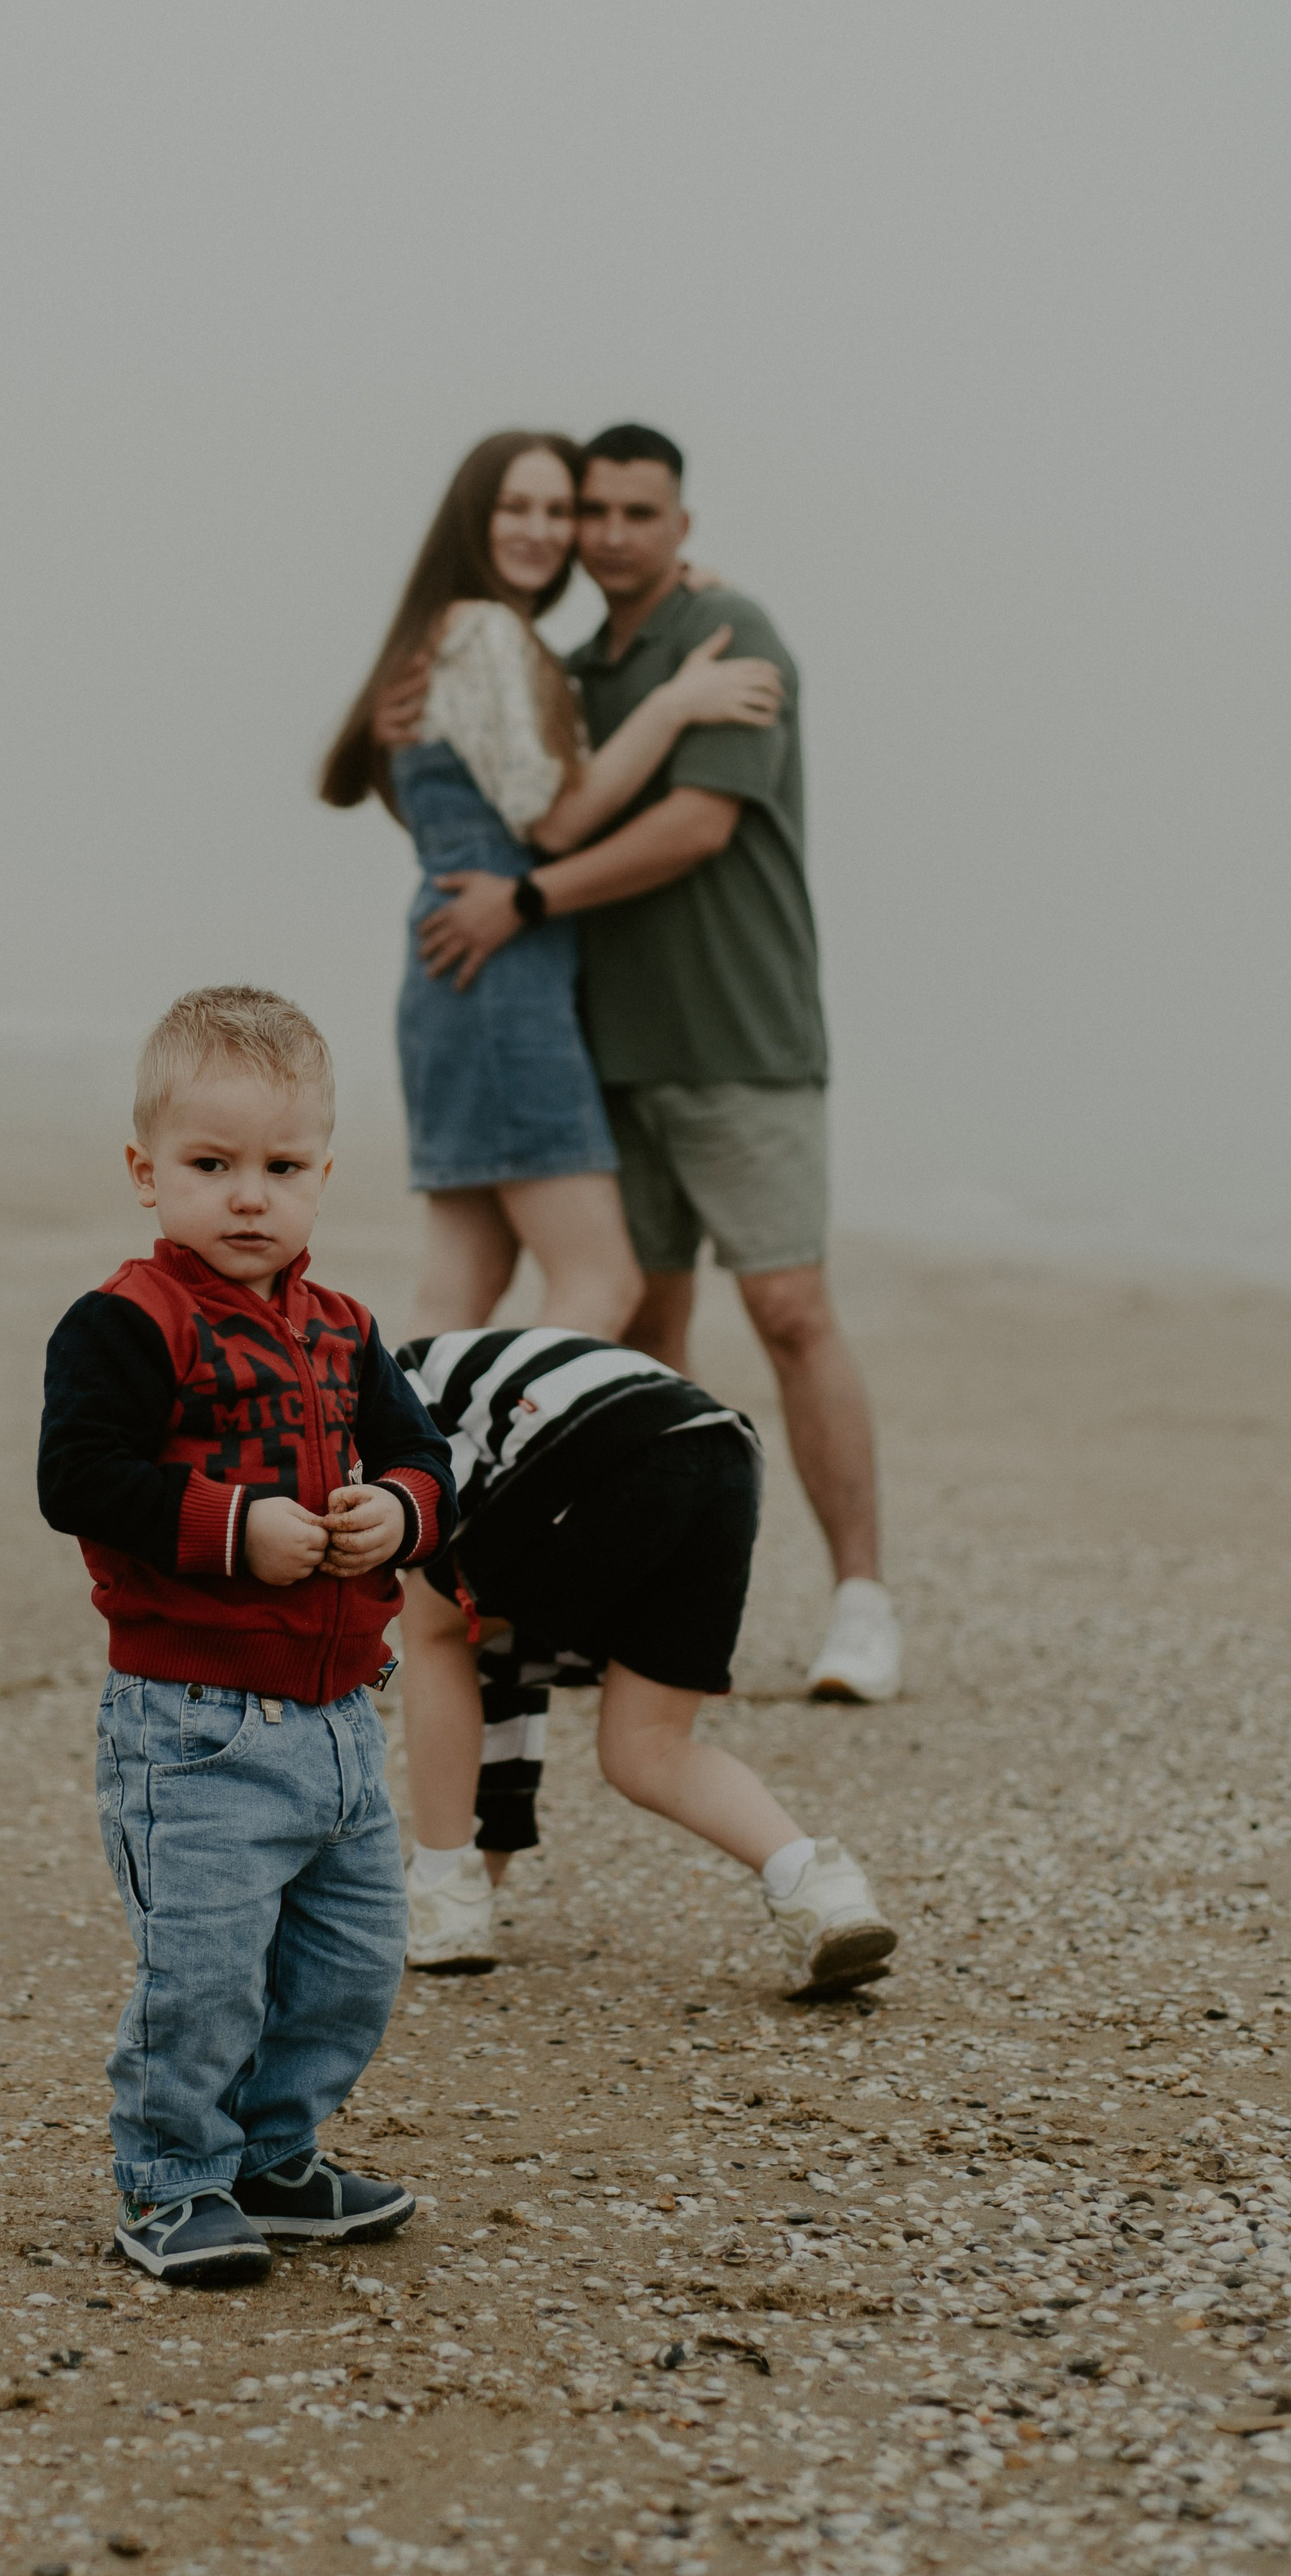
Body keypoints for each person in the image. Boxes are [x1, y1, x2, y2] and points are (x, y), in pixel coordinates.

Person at [408, 425, 901, 1713]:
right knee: (645, 1335)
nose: (611, 532)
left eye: (638, 510)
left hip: (743, 1042)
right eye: (594, 512)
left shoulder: (732, 638)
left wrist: (525, 897)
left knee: (792, 1313)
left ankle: (863, 1606)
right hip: (605, 1050)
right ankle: (620, 1604)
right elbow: (493, 772)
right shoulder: (562, 667)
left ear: (680, 523)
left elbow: (698, 822)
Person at [37, 986, 456, 2288]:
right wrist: (233, 1528)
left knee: (349, 1963)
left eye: (280, 1169)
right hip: (195, 1723)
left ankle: (276, 2156)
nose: (247, 1198)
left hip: (337, 1720)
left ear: (324, 1175)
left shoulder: (341, 1330)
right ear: (145, 1170)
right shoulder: (128, 1321)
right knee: (204, 1973)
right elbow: (80, 1476)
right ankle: (171, 2180)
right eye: (211, 1168)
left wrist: (397, 1510)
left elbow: (421, 1451)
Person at [319, 430, 784, 1346]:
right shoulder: (488, 633)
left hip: (447, 979)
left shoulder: (458, 633)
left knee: (460, 1290)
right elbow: (559, 822)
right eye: (516, 507)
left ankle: (399, 1485)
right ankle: (500, 1487)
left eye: (556, 510)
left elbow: (436, 805)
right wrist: (672, 703)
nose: (543, 529)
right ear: (474, 518)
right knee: (601, 1286)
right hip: (504, 982)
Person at [394, 1321, 899, 1993]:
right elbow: (502, 1669)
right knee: (647, 1747)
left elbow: (428, 1527)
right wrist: (485, 1867)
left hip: (605, 1441)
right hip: (723, 1456)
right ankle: (816, 1884)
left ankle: (439, 1889)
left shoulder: (379, 1389)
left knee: (428, 1619)